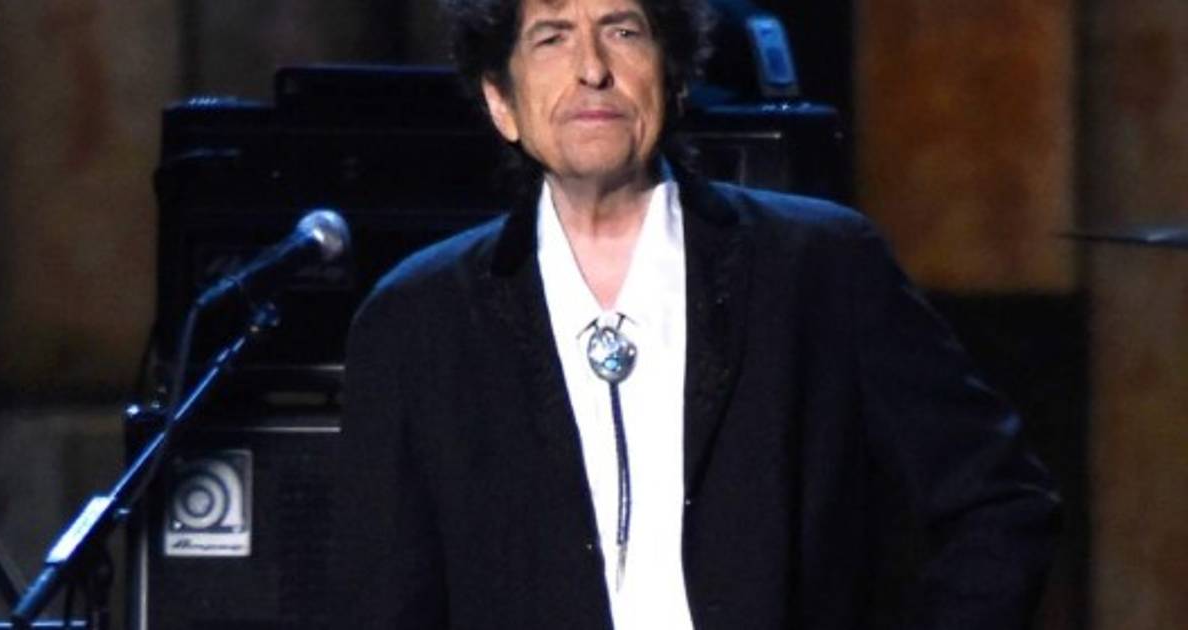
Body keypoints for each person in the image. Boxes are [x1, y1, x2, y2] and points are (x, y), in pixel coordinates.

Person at [335, 0, 1060, 628]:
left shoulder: (819, 267)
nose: (592, 69)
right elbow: (384, 605)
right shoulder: (417, 320)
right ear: (501, 101)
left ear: (675, 76)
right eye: (552, 37)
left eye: (623, 31)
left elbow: (1002, 502)